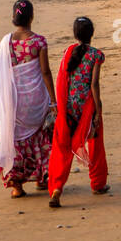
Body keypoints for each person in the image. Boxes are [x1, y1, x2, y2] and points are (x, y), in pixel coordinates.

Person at [0, 0, 55, 198]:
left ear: (14, 17)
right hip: (35, 100)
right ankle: (42, 178)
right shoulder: (39, 42)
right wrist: (53, 101)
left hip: (14, 101)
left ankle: (16, 186)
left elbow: (3, 74)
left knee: (15, 138)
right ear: (31, 17)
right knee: (41, 136)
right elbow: (45, 72)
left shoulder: (5, 44)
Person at [47, 17, 110, 207]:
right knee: (95, 143)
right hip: (86, 108)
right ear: (92, 34)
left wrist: (59, 106)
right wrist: (98, 111)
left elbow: (63, 79)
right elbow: (94, 85)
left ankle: (57, 189)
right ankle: (98, 184)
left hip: (67, 109)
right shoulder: (96, 55)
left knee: (61, 148)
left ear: (75, 34)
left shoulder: (68, 52)